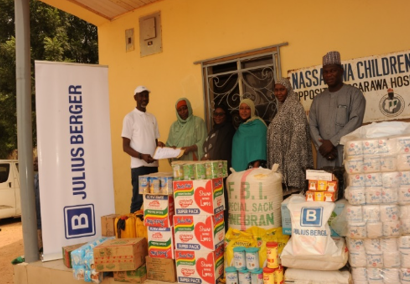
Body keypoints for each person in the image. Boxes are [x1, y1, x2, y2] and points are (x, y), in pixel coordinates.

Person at [309, 51, 366, 168]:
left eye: (333, 71)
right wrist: (322, 146)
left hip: (345, 152)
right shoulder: (318, 99)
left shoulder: (354, 94)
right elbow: (312, 125)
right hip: (324, 154)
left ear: (341, 71)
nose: (329, 75)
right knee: (326, 184)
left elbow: (355, 121)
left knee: (348, 183)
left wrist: (332, 142)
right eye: (326, 72)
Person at [267, 78, 313, 196]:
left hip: (291, 167)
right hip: (283, 166)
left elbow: (299, 133)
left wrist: (290, 160)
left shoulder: (294, 106)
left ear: (288, 89)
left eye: (282, 89)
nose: (278, 93)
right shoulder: (282, 108)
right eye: (276, 90)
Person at [122, 86, 164, 213]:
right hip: (139, 167)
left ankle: (151, 230)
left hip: (153, 166)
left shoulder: (152, 118)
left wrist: (160, 147)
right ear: (135, 97)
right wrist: (142, 156)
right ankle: (132, 231)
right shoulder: (129, 118)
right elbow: (125, 147)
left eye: (146, 95)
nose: (144, 98)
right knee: (138, 201)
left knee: (154, 201)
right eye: (141, 95)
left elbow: (155, 143)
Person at [202, 104, 235, 232]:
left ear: (226, 116)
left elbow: (224, 150)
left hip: (222, 172)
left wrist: (210, 156)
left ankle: (225, 231)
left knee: (223, 203)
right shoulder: (214, 130)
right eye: (216, 114)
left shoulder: (228, 129)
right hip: (212, 173)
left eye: (221, 114)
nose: (218, 117)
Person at [231, 99, 267, 172]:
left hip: (253, 169)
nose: (244, 111)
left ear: (252, 110)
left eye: (247, 108)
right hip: (238, 171)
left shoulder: (259, 125)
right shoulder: (241, 127)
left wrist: (254, 169)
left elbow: (260, 147)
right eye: (241, 108)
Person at [33, 156, 43, 252]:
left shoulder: (45, 178)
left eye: (36, 161)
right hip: (37, 216)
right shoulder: (34, 178)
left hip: (44, 217)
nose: (34, 163)